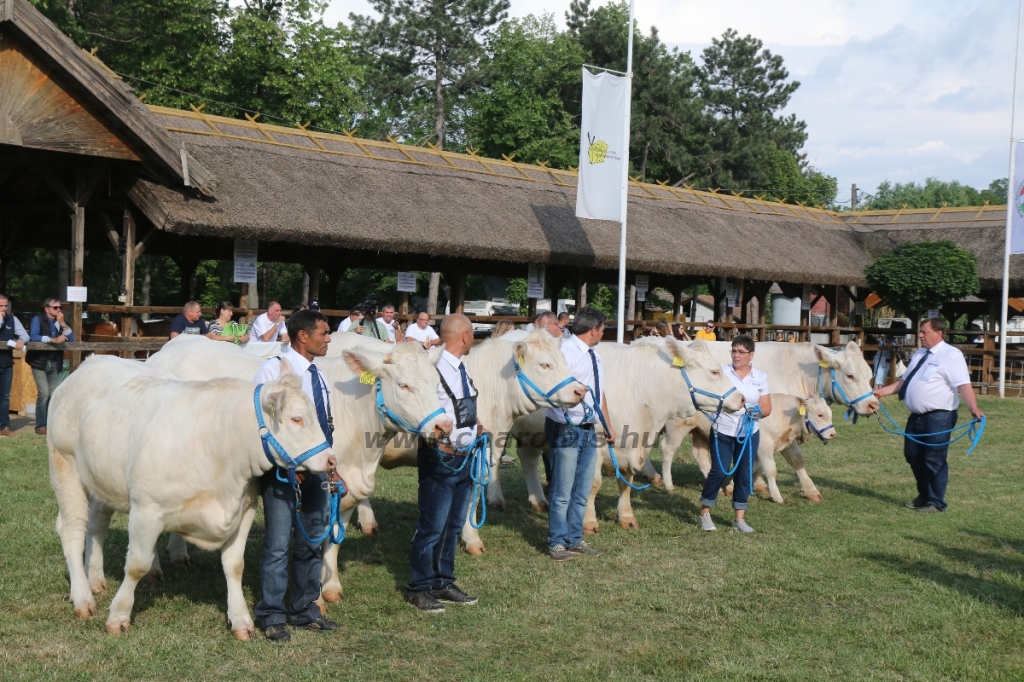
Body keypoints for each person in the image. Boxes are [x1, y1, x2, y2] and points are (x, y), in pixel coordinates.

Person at [253, 309, 337, 642]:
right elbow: (263, 425)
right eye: (323, 333)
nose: (328, 338)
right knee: (276, 545)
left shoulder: (321, 376)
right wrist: (289, 465)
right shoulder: (273, 370)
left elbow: (323, 426)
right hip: (284, 473)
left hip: (317, 471)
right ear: (303, 336)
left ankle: (303, 609)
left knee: (311, 542)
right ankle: (272, 613)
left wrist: (333, 463)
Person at [407, 314, 485, 613]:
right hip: (441, 456)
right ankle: (420, 586)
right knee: (432, 525)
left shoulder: (460, 367)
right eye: (473, 334)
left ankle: (443, 580)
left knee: (452, 524)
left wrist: (478, 425)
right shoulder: (431, 366)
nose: (473, 338)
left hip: (464, 456)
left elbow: (462, 405)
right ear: (465, 336)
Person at [873, 317, 984, 513]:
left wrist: (973, 408)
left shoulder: (951, 355)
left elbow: (964, 384)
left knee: (934, 458)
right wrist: (880, 392)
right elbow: (904, 382)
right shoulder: (920, 354)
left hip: (940, 416)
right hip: (917, 416)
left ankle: (936, 502)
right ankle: (924, 496)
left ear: (939, 334)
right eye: (921, 332)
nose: (921, 336)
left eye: (925, 332)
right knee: (912, 455)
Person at [545, 306, 614, 561]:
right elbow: (553, 390)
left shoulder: (595, 356)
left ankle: (574, 538)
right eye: (603, 329)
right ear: (593, 330)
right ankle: (557, 542)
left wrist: (606, 424)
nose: (604, 333)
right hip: (566, 427)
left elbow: (599, 392)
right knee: (563, 490)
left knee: (582, 489)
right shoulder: (564, 353)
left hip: (588, 428)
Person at [698, 334, 772, 534]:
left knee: (744, 474)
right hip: (722, 429)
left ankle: (739, 519)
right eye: (733, 351)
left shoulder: (760, 378)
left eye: (741, 352)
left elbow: (766, 407)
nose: (736, 355)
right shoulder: (722, 373)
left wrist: (758, 412)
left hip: (749, 432)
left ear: (751, 355)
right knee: (719, 471)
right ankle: (705, 512)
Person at [27, 297, 74, 436]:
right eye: (56, 307)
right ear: (46, 308)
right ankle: (41, 425)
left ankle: (49, 423)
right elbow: (34, 336)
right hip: (39, 361)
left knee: (53, 394)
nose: (59, 310)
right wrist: (52, 340)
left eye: (60, 308)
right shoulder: (38, 319)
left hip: (54, 362)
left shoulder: (60, 322)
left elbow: (72, 339)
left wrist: (63, 323)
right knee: (44, 393)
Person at [0, 294, 28, 437]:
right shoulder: (3, 319)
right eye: (1, 306)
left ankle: (4, 427)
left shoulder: (12, 319)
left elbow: (25, 335)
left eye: (5, 306)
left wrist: (22, 340)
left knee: (4, 397)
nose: (4, 309)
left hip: (6, 364)